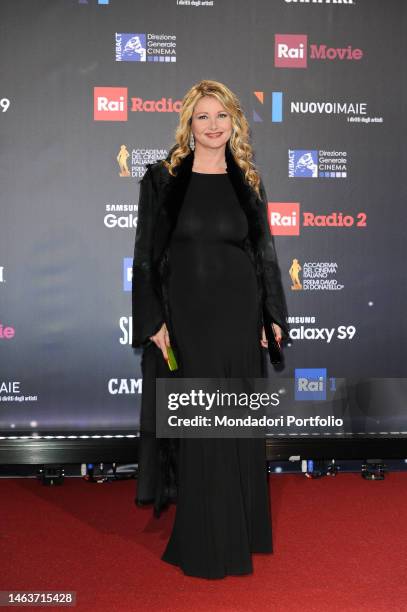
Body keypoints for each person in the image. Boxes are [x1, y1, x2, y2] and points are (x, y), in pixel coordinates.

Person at [131, 79, 290, 579]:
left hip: (239, 313)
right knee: (202, 423)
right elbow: (144, 260)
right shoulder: (161, 180)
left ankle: (239, 528)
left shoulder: (248, 180)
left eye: (222, 116)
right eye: (203, 116)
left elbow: (263, 253)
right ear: (189, 124)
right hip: (188, 316)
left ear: (235, 123)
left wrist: (271, 315)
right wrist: (153, 318)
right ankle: (203, 538)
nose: (214, 125)